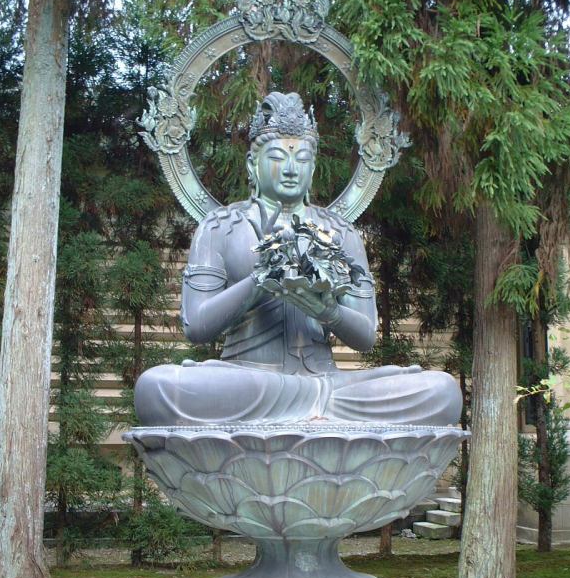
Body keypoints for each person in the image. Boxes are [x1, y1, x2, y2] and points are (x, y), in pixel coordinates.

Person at [134, 92, 461, 426]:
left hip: (327, 382)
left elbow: (365, 336)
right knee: (157, 387)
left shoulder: (340, 231)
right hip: (247, 378)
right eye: (278, 157)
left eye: (302, 159)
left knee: (441, 390)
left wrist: (330, 312)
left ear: (313, 167)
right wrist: (260, 279)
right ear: (252, 164)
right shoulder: (219, 226)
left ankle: (313, 403)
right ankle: (312, 408)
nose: (291, 170)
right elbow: (196, 325)